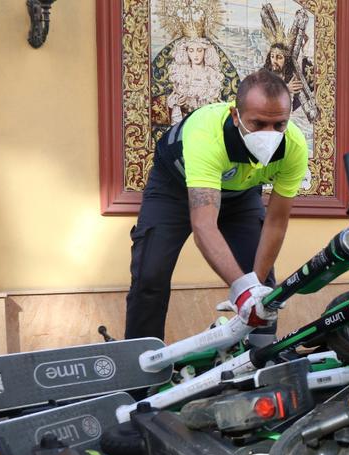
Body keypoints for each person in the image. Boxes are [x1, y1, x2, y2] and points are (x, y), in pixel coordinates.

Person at [125, 69, 308, 343]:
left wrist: (252, 289)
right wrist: (241, 290)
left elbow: (276, 221)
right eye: (258, 124)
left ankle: (257, 360)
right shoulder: (207, 135)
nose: (269, 134)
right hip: (173, 188)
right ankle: (140, 370)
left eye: (279, 125)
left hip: (241, 194)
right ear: (236, 116)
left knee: (263, 287)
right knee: (150, 275)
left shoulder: (294, 146)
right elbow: (204, 225)